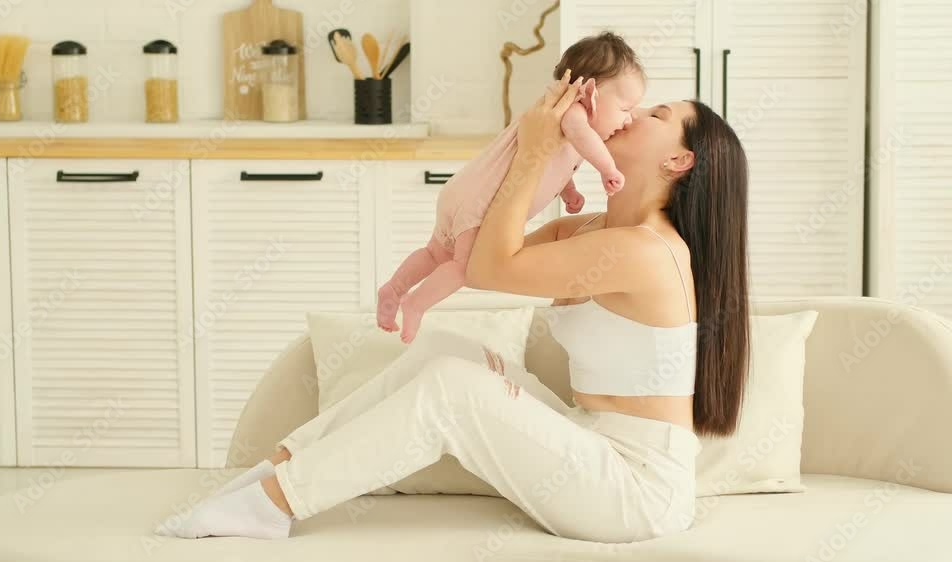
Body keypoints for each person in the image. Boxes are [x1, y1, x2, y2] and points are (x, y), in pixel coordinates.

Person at [154, 69, 750, 544]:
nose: (634, 113)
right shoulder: (594, 230)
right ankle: (277, 470)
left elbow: (492, 267)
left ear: (680, 161)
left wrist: (532, 153)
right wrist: (536, 144)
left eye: (656, 116)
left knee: (449, 388)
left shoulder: (641, 251)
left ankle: (273, 504)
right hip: (589, 439)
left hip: (634, 488)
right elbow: (488, 250)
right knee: (441, 350)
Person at [377, 32, 644, 343]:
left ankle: (394, 288)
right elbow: (580, 138)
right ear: (590, 92)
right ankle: (416, 304)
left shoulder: (553, 118)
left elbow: (548, 161)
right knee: (465, 267)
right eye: (626, 108)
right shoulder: (572, 115)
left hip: (462, 193)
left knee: (434, 253)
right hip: (479, 204)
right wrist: (608, 168)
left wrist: (568, 190)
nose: (629, 119)